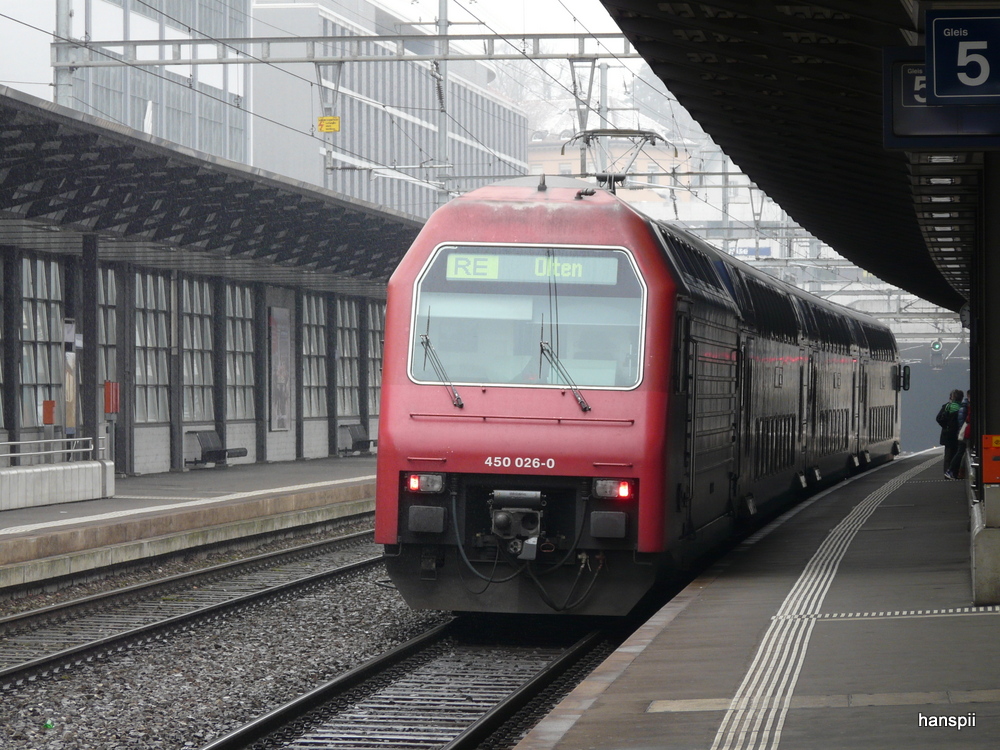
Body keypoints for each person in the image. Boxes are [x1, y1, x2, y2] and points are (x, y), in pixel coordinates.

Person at [937, 389, 963, 475]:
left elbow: (939, 418)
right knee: (958, 453)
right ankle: (956, 472)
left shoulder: (946, 407)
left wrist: (946, 426)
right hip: (959, 434)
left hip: (948, 434)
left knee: (948, 455)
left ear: (952, 397)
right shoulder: (962, 407)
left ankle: (947, 472)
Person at [946, 389, 971, 480]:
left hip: (962, 433)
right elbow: (964, 421)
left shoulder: (961, 406)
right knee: (961, 452)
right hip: (964, 433)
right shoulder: (963, 407)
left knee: (961, 452)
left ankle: (955, 471)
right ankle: (953, 471)